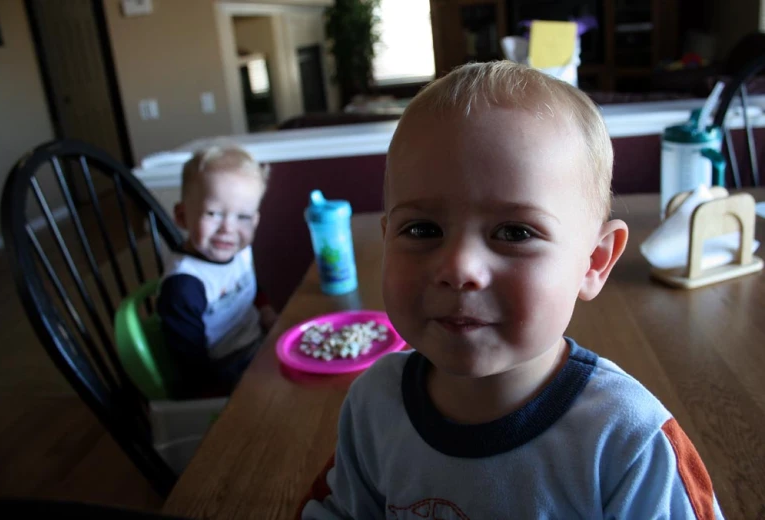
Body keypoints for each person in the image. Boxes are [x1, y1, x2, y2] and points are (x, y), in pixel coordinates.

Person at [301, 61, 724, 518]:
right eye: (422, 229)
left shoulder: (629, 443)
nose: (459, 268)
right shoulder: (373, 408)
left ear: (595, 261)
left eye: (516, 232)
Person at [157, 145, 277, 397]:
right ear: (182, 216)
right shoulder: (184, 286)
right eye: (213, 213)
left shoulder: (240, 250)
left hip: (257, 343)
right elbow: (193, 369)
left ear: (255, 220)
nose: (228, 229)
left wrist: (265, 310)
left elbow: (247, 284)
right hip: (222, 368)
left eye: (243, 217)